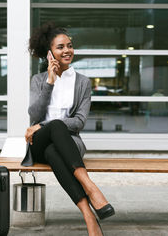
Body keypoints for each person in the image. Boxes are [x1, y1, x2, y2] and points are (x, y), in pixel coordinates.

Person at [22, 22, 115, 236]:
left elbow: (79, 121)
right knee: (53, 129)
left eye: (69, 46)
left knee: (53, 151)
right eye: (60, 47)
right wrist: (50, 82)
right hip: (39, 143)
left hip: (69, 144)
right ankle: (91, 187)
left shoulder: (83, 82)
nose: (67, 51)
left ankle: (89, 216)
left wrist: (42, 125)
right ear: (49, 53)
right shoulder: (38, 80)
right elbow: (33, 115)